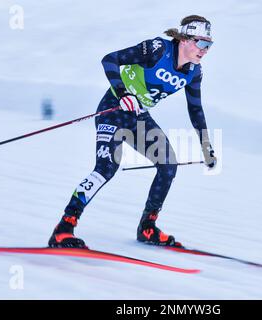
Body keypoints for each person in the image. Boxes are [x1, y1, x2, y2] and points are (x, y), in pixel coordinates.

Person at [48, 15, 217, 248]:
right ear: (185, 39)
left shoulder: (194, 72)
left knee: (168, 165)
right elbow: (110, 60)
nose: (205, 50)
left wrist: (206, 145)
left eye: (209, 45)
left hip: (138, 117)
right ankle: (64, 227)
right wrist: (123, 92)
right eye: (201, 43)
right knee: (106, 168)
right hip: (113, 108)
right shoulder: (158, 49)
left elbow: (195, 109)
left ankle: (147, 227)